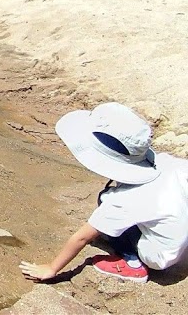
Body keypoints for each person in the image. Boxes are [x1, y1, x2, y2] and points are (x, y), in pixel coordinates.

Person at [20, 102, 188, 283]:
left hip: (159, 255)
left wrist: (52, 268)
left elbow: (82, 237)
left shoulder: (122, 200)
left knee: (105, 201)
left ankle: (132, 262)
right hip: (179, 237)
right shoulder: (170, 163)